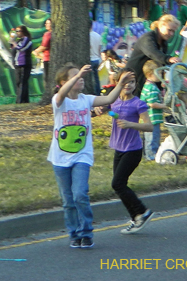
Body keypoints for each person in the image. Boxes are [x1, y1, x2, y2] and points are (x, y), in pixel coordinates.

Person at [48, 63, 128, 248]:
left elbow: (109, 98)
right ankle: (73, 233)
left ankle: (86, 232)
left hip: (81, 155)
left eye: (81, 76)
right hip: (59, 158)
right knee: (68, 200)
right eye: (75, 76)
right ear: (63, 82)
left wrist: (121, 83)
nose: (81, 78)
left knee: (80, 195)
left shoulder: (86, 99)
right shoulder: (59, 100)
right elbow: (61, 95)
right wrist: (77, 75)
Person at [108, 70, 155, 234]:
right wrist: (98, 112)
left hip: (133, 149)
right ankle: (137, 216)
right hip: (118, 148)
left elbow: (149, 126)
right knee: (120, 186)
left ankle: (142, 212)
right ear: (117, 82)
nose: (128, 85)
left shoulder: (138, 104)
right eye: (125, 81)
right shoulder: (114, 100)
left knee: (117, 183)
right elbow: (107, 110)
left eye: (132, 82)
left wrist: (130, 124)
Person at [125, 13, 181, 96]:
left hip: (147, 78)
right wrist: (168, 59)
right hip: (133, 77)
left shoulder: (163, 43)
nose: (171, 34)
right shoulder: (148, 38)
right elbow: (153, 52)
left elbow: (160, 67)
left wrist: (161, 88)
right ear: (161, 26)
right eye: (169, 30)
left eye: (173, 31)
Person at [140, 61, 165, 160]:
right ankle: (151, 155)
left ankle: (148, 153)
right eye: (158, 73)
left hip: (148, 118)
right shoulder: (152, 88)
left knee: (150, 137)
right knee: (153, 138)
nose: (160, 75)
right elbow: (152, 104)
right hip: (152, 118)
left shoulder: (148, 86)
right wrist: (165, 106)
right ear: (150, 74)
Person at [10, 25, 34, 104]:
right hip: (17, 64)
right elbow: (12, 48)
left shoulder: (26, 39)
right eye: (16, 31)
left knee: (22, 82)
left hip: (24, 63)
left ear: (23, 32)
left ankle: (19, 101)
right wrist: (12, 40)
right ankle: (25, 100)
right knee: (18, 82)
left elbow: (22, 48)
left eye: (18, 31)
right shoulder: (18, 40)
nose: (17, 33)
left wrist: (14, 43)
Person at [34, 18, 52, 88]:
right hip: (50, 57)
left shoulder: (47, 34)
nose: (46, 25)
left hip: (47, 59)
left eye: (48, 23)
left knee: (47, 78)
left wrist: (35, 51)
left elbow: (44, 46)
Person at [89, 21, 102, 95]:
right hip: (97, 59)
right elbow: (99, 49)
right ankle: (98, 92)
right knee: (96, 79)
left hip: (90, 59)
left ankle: (92, 93)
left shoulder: (86, 36)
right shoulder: (98, 36)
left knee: (90, 79)